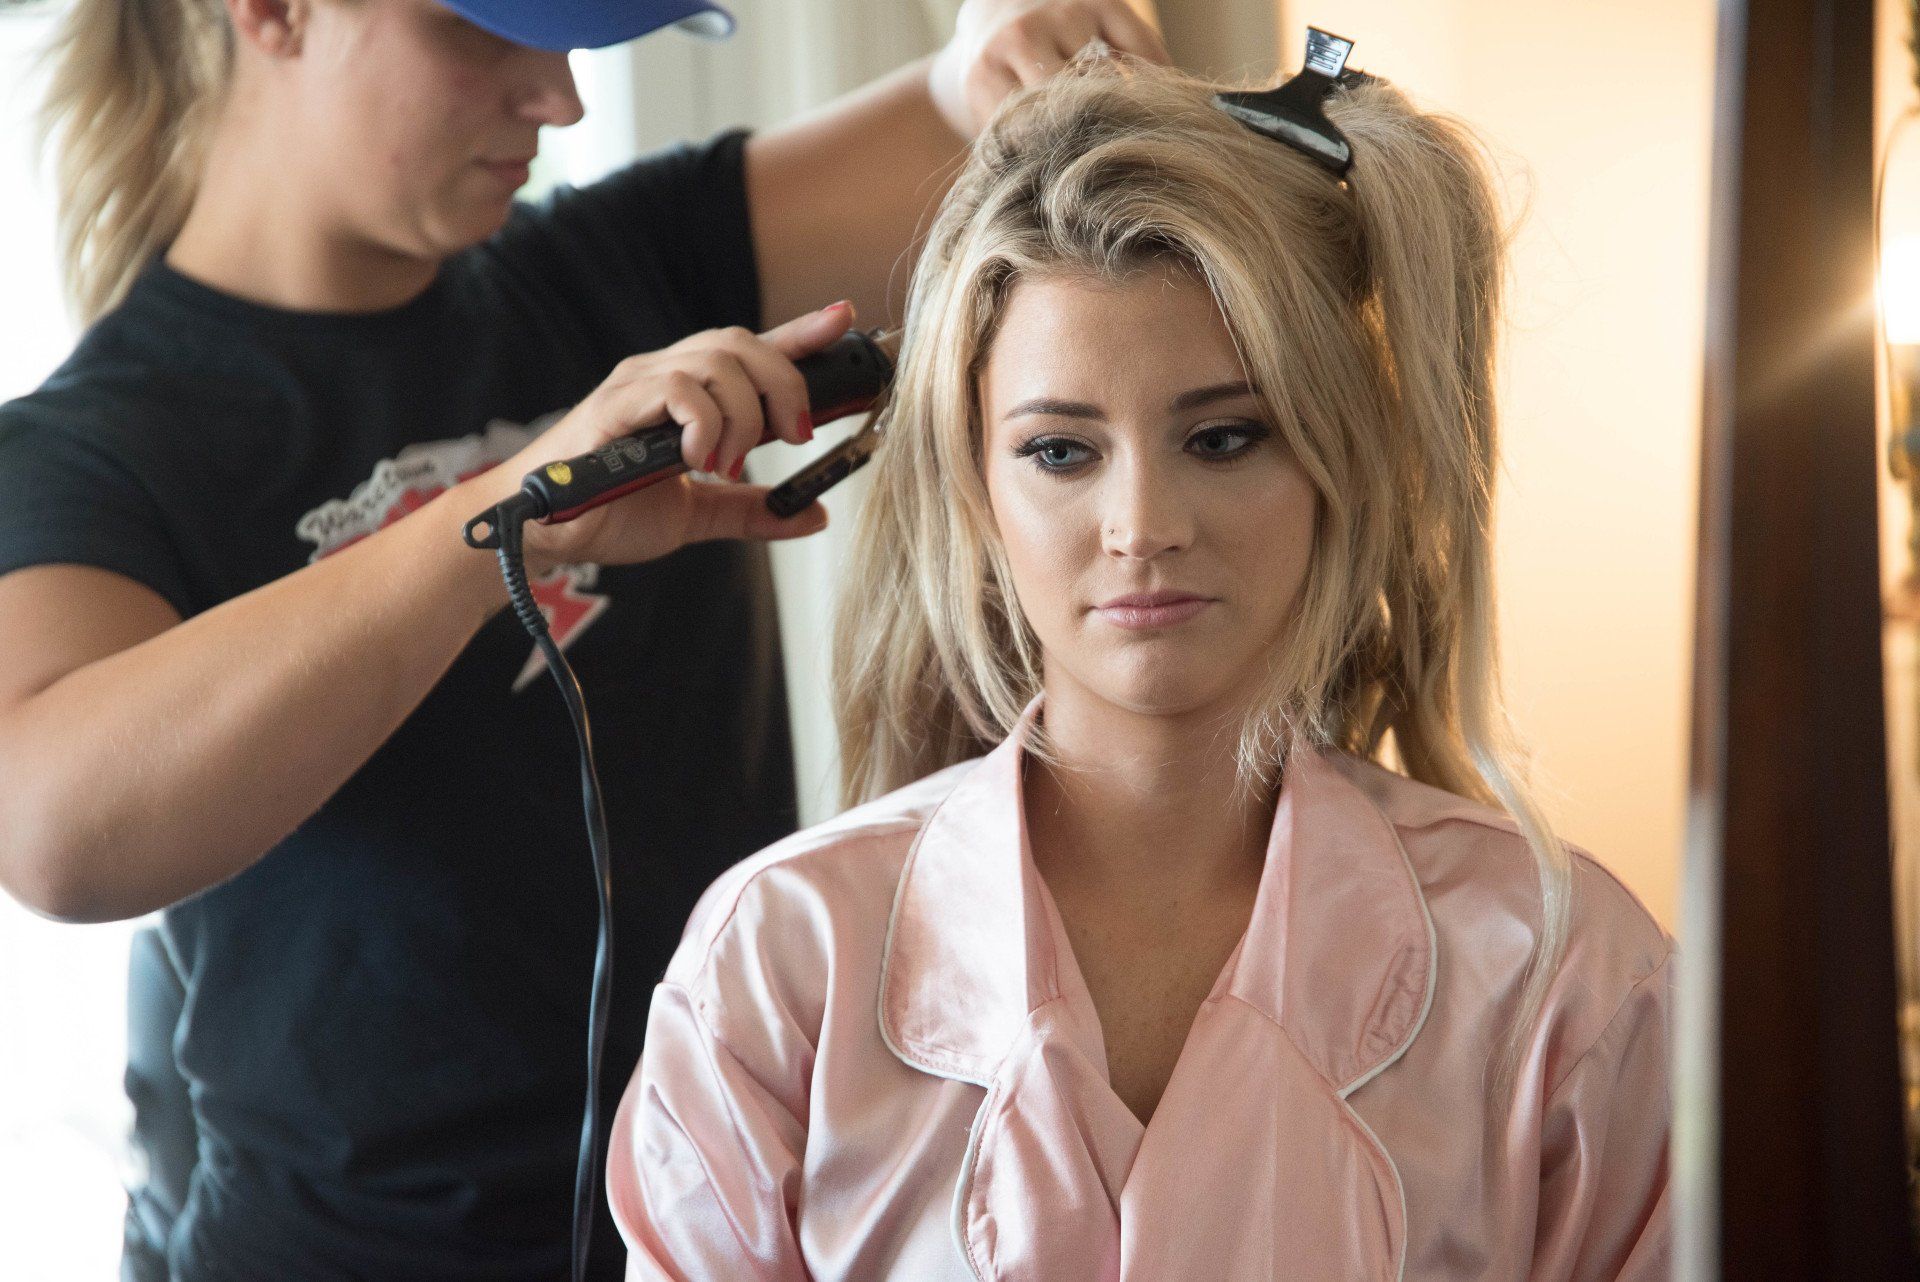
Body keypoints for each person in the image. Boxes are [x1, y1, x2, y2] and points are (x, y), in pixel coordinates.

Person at [0, 0, 1171, 1277]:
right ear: (274, 11)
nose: (558, 99)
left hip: (726, 1221)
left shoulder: (618, 269)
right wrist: (507, 519)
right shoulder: (94, 449)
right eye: (487, 33)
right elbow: (57, 835)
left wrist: (1013, 47)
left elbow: (981, 127)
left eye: (567, 43)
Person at [608, 51, 1674, 1279]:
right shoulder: (779, 960)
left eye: (1223, 438)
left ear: (1339, 458)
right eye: (1061, 452)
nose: (1142, 525)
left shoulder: (1565, 975)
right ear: (975, 487)